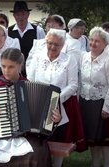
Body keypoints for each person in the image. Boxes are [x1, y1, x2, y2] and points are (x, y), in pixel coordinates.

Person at [0, 48, 61, 167]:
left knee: (36, 153)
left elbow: (43, 118)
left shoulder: (28, 85)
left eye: (11, 67)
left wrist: (55, 118)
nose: (6, 71)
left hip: (24, 132)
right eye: (3, 66)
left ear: (19, 66)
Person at [27, 28, 86, 167]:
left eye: (57, 44)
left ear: (63, 45)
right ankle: (40, 162)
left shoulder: (69, 60)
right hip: (38, 102)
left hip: (61, 104)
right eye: (50, 43)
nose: (53, 47)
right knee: (38, 136)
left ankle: (57, 165)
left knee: (58, 137)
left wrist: (55, 99)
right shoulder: (37, 56)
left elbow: (73, 85)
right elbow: (30, 78)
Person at [79, 27, 109, 167]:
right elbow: (80, 80)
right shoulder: (83, 57)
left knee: (105, 136)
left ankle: (107, 164)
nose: (92, 43)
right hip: (86, 101)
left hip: (103, 102)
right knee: (93, 135)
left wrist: (108, 108)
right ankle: (95, 162)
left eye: (97, 41)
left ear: (105, 44)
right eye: (91, 40)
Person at [8, 1, 46, 76]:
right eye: (18, 14)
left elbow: (43, 50)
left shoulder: (38, 30)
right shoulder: (8, 31)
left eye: (23, 14)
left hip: (33, 69)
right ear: (14, 16)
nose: (20, 17)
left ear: (28, 15)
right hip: (14, 70)